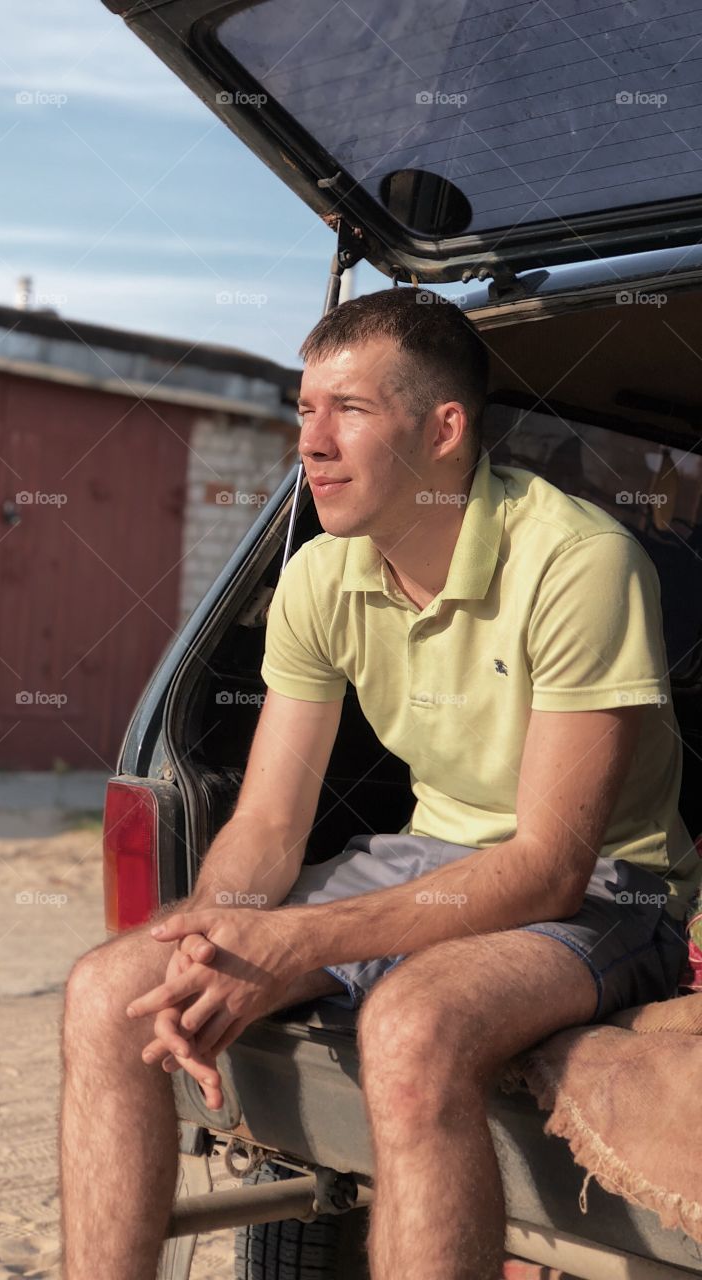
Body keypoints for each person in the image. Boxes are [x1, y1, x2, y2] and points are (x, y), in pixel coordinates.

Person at [59, 288, 700, 1280]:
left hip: (612, 888)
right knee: (107, 989)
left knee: (410, 1028)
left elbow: (548, 870)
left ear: (445, 429)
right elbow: (269, 820)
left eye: (348, 409)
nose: (310, 442)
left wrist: (296, 937)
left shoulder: (581, 562)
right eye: (303, 408)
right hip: (423, 855)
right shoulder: (320, 576)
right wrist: (214, 935)